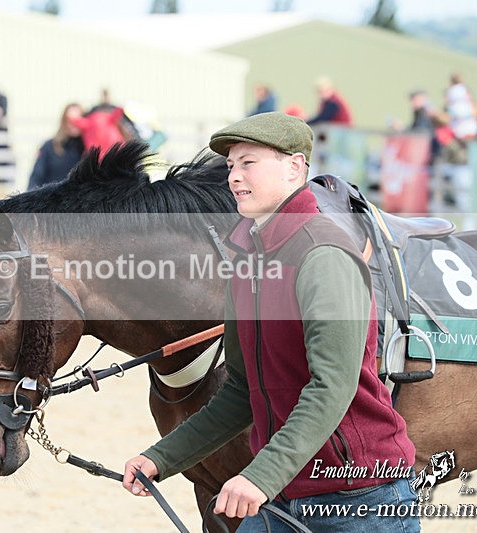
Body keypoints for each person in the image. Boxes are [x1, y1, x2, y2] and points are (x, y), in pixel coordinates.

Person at [123, 112, 419, 532]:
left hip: (359, 496)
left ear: (294, 167)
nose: (234, 177)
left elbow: (333, 385)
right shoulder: (247, 262)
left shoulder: (324, 255)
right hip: (281, 493)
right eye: (230, 166)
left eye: (249, 163)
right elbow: (241, 389)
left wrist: (259, 476)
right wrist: (162, 457)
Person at [27, 103, 84, 190]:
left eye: (78, 119)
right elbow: (35, 179)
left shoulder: (88, 150)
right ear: (63, 121)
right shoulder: (49, 147)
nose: (73, 123)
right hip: (53, 200)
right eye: (69, 120)